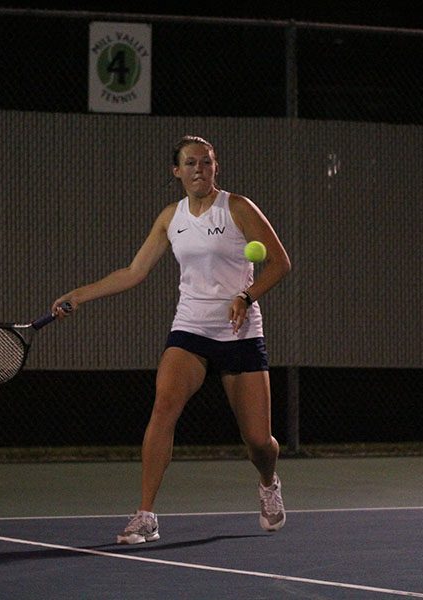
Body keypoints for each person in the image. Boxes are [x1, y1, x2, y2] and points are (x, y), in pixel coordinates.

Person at [52, 135, 291, 544]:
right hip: (190, 330)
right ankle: (146, 514)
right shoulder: (171, 217)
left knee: (258, 442)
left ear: (216, 167)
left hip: (240, 333)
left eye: (206, 162)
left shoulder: (238, 208)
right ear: (176, 171)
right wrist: (80, 294)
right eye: (190, 163)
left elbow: (280, 262)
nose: (199, 169)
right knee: (163, 406)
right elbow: (134, 271)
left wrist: (246, 295)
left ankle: (268, 481)